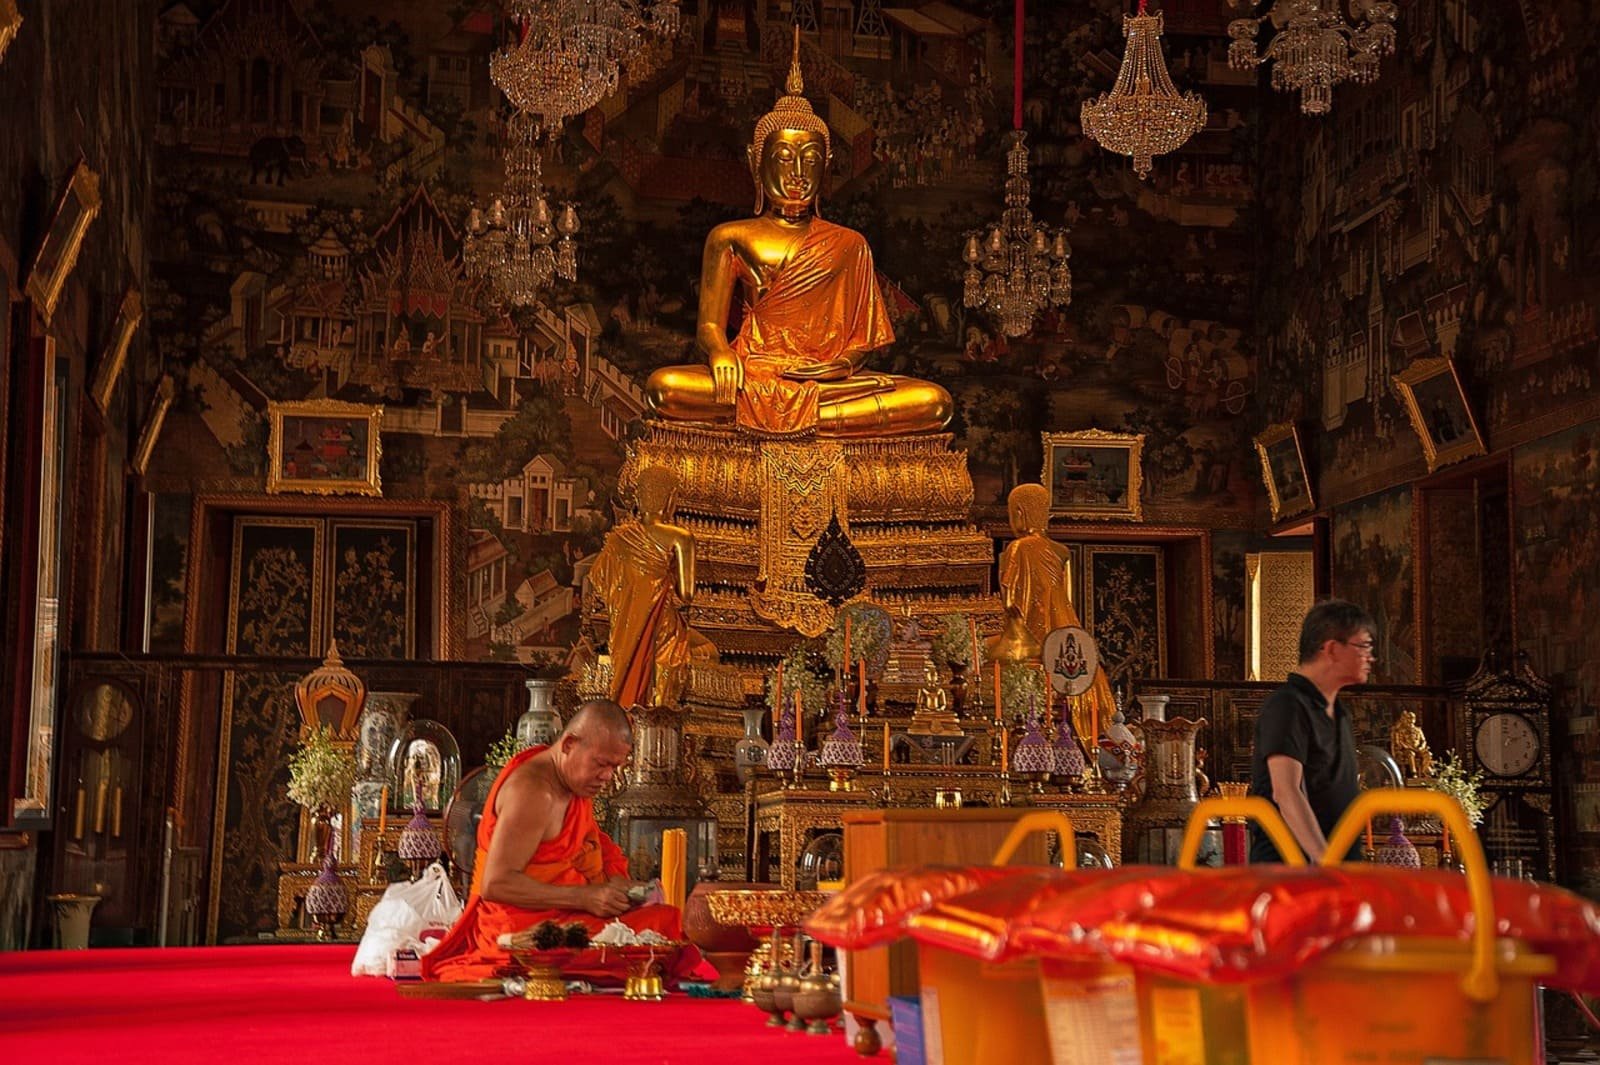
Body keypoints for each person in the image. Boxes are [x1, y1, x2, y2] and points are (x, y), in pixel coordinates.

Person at [644, 27, 950, 437]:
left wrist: (839, 366)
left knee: (932, 402)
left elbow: (860, 340)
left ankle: (797, 421)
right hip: (753, 373)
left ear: (826, 166)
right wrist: (719, 353)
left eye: (810, 160)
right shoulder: (731, 236)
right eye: (784, 159)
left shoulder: (849, 244)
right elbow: (710, 326)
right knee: (666, 389)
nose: (798, 174)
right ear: (757, 162)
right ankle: (811, 423)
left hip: (828, 383)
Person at [421, 702, 697, 983]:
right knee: (665, 927)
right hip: (524, 928)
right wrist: (586, 897)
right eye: (601, 764)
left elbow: (587, 848)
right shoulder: (534, 792)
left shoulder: (571, 782)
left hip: (568, 911)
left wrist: (617, 885)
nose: (607, 777)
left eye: (615, 767)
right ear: (568, 744)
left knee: (664, 920)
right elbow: (496, 884)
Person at [1247, 599, 1374, 862]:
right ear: (1332, 649)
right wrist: (1326, 861)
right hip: (1292, 871)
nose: (1370, 657)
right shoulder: (1288, 705)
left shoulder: (1340, 713)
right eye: (1362, 646)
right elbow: (1286, 791)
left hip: (1335, 868)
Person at [587, 466, 717, 710]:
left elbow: (601, 582)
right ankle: (662, 704)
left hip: (624, 627)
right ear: (671, 499)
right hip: (664, 625)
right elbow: (686, 595)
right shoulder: (681, 537)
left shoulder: (619, 538)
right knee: (709, 651)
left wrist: (633, 600)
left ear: (638, 498)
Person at [995, 483, 1114, 746]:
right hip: (1062, 640)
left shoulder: (1018, 548)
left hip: (1027, 643)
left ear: (1020, 513)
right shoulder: (1061, 552)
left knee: (986, 651)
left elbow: (1010, 601)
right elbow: (1068, 600)